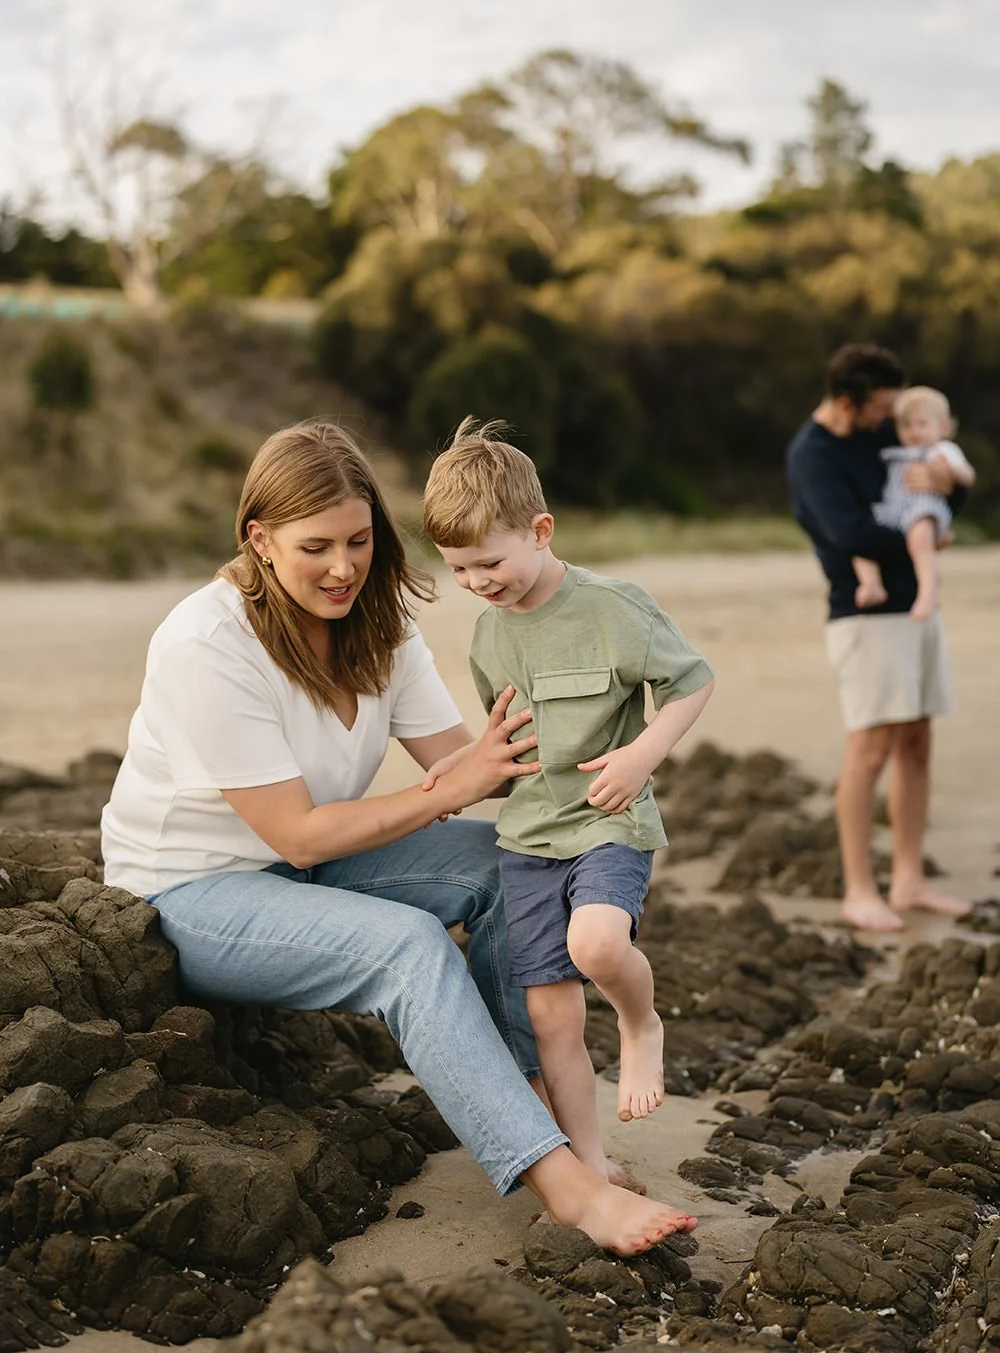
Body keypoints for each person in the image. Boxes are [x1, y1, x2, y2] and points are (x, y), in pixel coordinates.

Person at [101, 419, 696, 1255]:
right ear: (259, 539)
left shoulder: (377, 622)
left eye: (359, 540)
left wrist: (621, 741)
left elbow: (473, 762)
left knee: (510, 866)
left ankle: (540, 1113)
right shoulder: (206, 642)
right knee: (409, 947)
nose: (343, 568)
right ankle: (566, 1188)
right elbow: (300, 835)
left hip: (319, 866)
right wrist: (452, 788)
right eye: (316, 547)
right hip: (195, 890)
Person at [421, 419, 714, 1182]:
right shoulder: (489, 637)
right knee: (550, 1015)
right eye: (459, 570)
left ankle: (642, 1023)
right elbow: (507, 738)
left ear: (541, 530)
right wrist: (455, 771)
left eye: (489, 561)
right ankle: (589, 1163)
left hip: (608, 822)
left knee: (597, 947)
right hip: (529, 840)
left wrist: (642, 753)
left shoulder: (615, 608)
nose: (478, 582)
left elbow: (693, 682)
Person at [787, 344, 970, 933]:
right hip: (863, 616)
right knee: (870, 752)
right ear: (848, 402)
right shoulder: (812, 455)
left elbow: (940, 492)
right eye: (882, 408)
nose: (890, 419)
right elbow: (847, 536)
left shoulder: (881, 429)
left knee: (917, 742)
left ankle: (909, 878)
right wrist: (928, 539)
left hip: (916, 606)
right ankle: (859, 890)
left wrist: (946, 490)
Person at [852, 386, 976, 622]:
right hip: (893, 508)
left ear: (943, 427)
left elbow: (967, 476)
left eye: (921, 424)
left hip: (922, 508)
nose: (914, 432)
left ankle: (927, 594)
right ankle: (871, 584)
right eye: (906, 426)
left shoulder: (942, 450)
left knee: (920, 541)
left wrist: (949, 474)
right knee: (860, 542)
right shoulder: (895, 452)